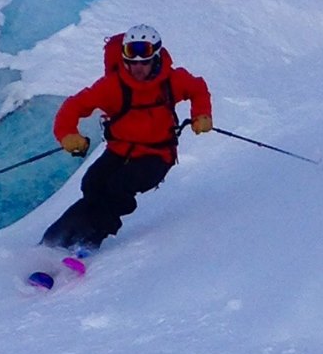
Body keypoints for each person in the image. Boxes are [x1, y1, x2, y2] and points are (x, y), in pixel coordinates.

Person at [39, 25, 212, 252]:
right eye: (132, 61)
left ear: (156, 58)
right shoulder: (112, 86)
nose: (137, 67)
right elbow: (74, 106)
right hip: (120, 150)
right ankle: (59, 239)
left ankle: (88, 239)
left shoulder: (172, 81)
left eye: (144, 61)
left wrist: (201, 114)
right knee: (92, 183)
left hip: (157, 155)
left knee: (118, 188)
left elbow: (198, 88)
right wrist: (67, 134)